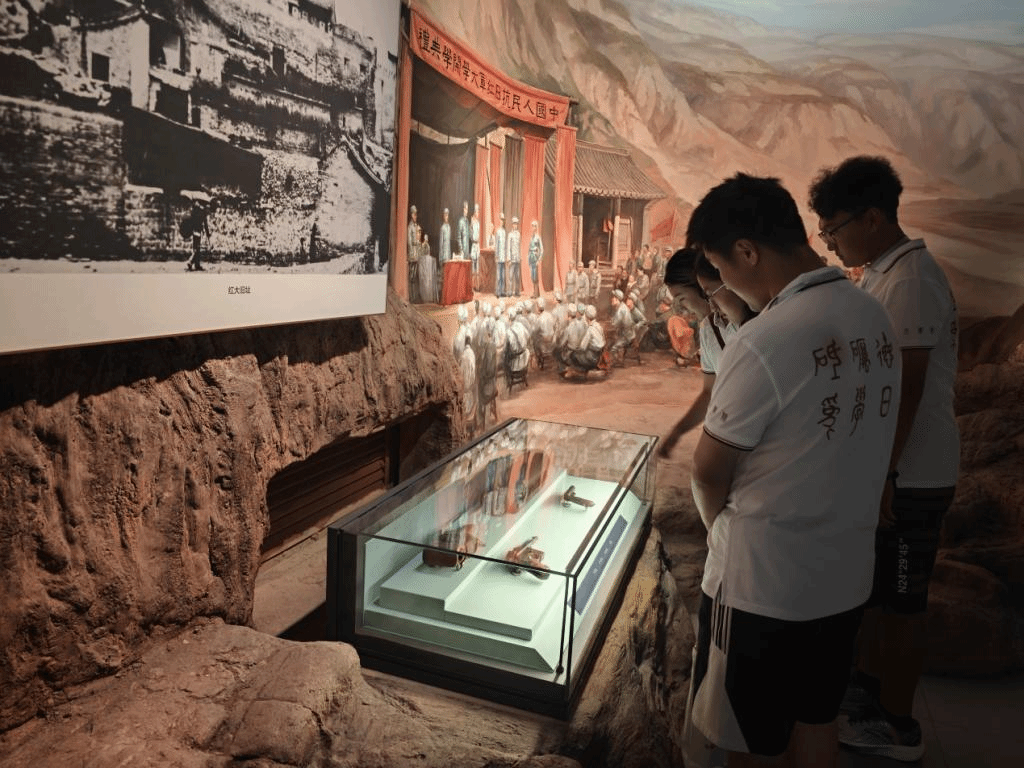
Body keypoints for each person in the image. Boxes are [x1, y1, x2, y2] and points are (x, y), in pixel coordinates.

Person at [686, 173, 901, 768]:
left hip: (763, 589)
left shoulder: (765, 339)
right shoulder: (873, 317)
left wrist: (717, 531)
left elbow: (707, 472)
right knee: (817, 718)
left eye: (720, 268)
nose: (723, 285)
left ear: (747, 251)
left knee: (747, 742)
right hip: (844, 579)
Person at [809, 156, 960, 762]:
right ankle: (869, 698)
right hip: (890, 473)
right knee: (877, 597)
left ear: (872, 218)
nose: (830, 241)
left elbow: (908, 387)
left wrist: (886, 474)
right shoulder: (882, 272)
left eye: (834, 228)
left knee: (902, 604)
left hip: (912, 475)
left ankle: (899, 729)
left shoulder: (911, 280)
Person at [658, 248, 753, 458]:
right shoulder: (709, 330)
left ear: (702, 287)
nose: (680, 307)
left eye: (681, 298)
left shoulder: (753, 324)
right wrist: (677, 432)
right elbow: (709, 392)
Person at [566, 305, 606, 376]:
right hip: (599, 356)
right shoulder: (598, 326)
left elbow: (582, 347)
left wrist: (574, 349)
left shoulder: (590, 329)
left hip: (592, 358)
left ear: (587, 317)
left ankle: (582, 372)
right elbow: (603, 341)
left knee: (573, 355)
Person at [184, 201, 211, 271]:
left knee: (196, 248)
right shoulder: (203, 213)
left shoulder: (195, 211)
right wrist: (208, 234)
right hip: (198, 232)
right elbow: (205, 225)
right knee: (197, 249)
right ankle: (190, 261)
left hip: (194, 231)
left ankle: (197, 265)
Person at [418, 230, 437, 304]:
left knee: (428, 279)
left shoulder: (426, 245)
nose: (426, 239)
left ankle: (427, 296)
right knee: (426, 279)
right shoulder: (424, 245)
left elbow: (427, 253)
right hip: (425, 262)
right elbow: (423, 253)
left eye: (427, 238)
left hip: (427, 261)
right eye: (426, 238)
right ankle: (426, 296)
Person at [507, 216, 522, 296]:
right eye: (514, 224)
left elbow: (519, 247)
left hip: (517, 259)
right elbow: (508, 247)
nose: (515, 225)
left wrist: (520, 257)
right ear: (512, 224)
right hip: (512, 259)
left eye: (516, 224)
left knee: (517, 277)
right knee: (510, 276)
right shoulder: (510, 235)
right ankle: (510, 292)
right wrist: (509, 259)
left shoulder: (518, 234)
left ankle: (517, 292)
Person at [528, 220, 544, 298]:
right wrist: (528, 258)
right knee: (532, 276)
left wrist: (539, 259)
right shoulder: (531, 237)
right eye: (532, 226)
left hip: (535, 257)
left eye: (534, 226)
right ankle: (534, 292)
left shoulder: (538, 237)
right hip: (531, 257)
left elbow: (542, 249)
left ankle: (537, 293)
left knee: (535, 276)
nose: (533, 228)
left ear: (536, 228)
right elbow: (529, 248)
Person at [494, 212, 508, 297]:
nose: (502, 221)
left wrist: (506, 256)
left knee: (503, 275)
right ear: (499, 220)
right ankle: (498, 292)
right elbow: (496, 245)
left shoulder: (504, 232)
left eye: (503, 220)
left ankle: (502, 291)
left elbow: (505, 245)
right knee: (499, 276)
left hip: (503, 256)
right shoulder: (498, 232)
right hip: (499, 256)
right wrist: (496, 255)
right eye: (501, 219)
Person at [470, 203, 482, 291]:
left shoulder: (478, 223)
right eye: (477, 212)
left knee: (477, 268)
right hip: (473, 245)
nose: (478, 213)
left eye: (478, 211)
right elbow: (471, 236)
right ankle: (472, 287)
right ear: (474, 212)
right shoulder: (472, 223)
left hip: (477, 245)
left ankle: (477, 286)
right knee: (473, 269)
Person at [458, 202, 471, 272]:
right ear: (463, 209)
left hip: (467, 250)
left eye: (467, 209)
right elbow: (459, 237)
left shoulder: (467, 221)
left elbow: (469, 236)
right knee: (462, 270)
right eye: (465, 208)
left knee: (467, 270)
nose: (466, 210)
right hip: (462, 251)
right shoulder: (461, 221)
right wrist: (461, 250)